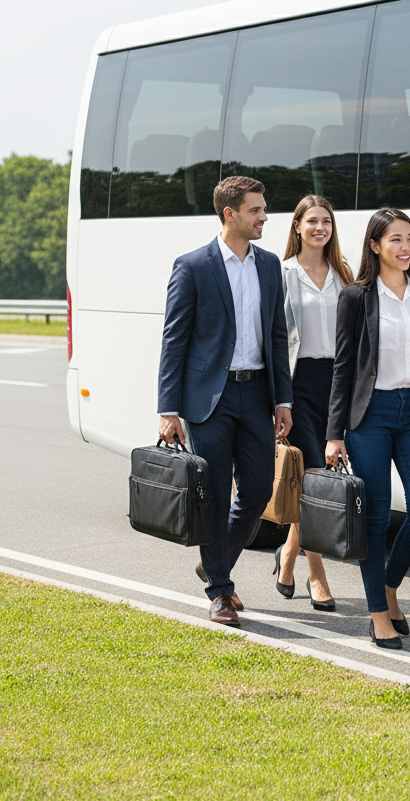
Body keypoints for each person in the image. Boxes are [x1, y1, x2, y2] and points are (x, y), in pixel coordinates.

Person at [157, 176, 293, 626]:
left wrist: (283, 400)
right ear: (229, 214)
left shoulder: (269, 265)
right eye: (256, 210)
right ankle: (219, 590)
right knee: (215, 494)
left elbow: (277, 335)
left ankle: (213, 563)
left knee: (257, 491)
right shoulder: (193, 266)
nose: (265, 217)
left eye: (264, 209)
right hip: (208, 398)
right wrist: (168, 409)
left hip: (257, 393)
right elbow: (174, 341)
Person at [325, 207, 410, 649]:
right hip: (370, 415)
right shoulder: (356, 297)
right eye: (395, 239)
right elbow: (343, 368)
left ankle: (389, 586)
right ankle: (378, 612)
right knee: (375, 519)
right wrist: (334, 434)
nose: (405, 247)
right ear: (375, 245)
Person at [274, 194, 354, 612]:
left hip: (338, 384)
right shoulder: (282, 273)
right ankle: (317, 573)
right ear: (297, 227)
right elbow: (274, 339)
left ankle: (289, 553)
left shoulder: (344, 275)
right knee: (314, 478)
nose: (320, 228)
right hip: (299, 384)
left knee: (322, 477)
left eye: (326, 221)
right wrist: (278, 399)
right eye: (312, 221)